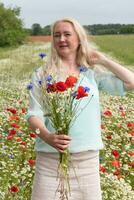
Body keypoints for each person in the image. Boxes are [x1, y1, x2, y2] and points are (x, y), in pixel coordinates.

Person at [26, 17, 134, 200]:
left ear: (79, 39)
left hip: (87, 163)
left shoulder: (91, 73)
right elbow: (33, 115)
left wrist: (103, 60)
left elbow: (131, 82)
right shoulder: (42, 74)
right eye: (56, 35)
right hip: (50, 162)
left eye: (67, 34)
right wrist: (47, 136)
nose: (61, 39)